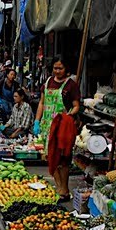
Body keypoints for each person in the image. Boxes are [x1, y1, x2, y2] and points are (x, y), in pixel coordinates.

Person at [33, 56, 81, 201]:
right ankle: (60, 188)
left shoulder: (71, 85)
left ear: (66, 69)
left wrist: (67, 116)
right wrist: (37, 121)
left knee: (63, 159)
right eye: (55, 68)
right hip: (48, 127)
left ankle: (64, 190)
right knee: (51, 157)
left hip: (63, 128)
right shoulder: (47, 82)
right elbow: (42, 103)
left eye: (61, 68)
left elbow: (76, 106)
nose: (57, 71)